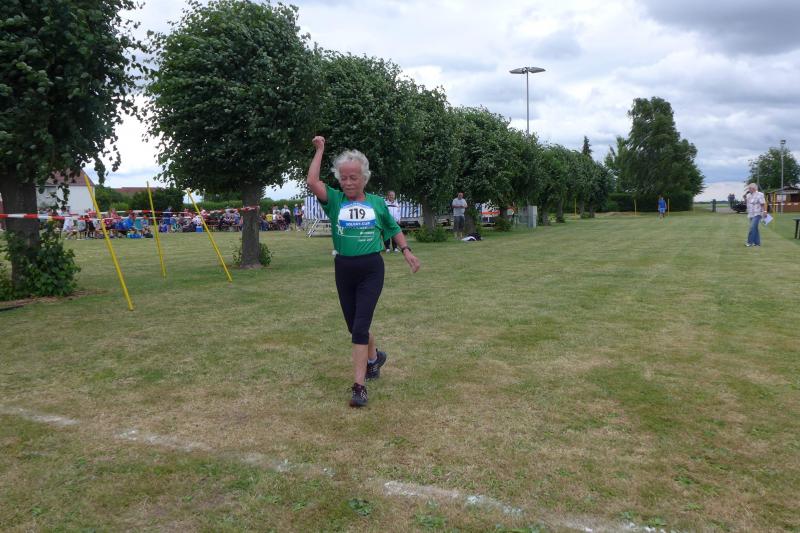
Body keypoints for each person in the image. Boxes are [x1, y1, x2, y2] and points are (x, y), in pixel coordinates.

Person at [307, 136, 420, 408]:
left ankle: (359, 387)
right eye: (343, 178)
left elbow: (392, 228)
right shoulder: (334, 200)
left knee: (359, 327)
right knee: (355, 327)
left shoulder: (378, 203)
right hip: (344, 268)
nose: (347, 182)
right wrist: (320, 150)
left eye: (353, 177)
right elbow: (312, 182)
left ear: (364, 178)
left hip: (371, 269)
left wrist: (406, 251)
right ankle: (374, 358)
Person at [744, 182, 767, 247]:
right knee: (755, 228)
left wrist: (765, 211)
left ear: (754, 188)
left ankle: (749, 242)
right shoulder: (748, 195)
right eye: (748, 188)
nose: (749, 189)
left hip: (758, 213)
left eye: (750, 188)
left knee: (752, 227)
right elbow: (748, 204)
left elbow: (763, 203)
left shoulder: (760, 194)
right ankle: (757, 243)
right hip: (751, 214)